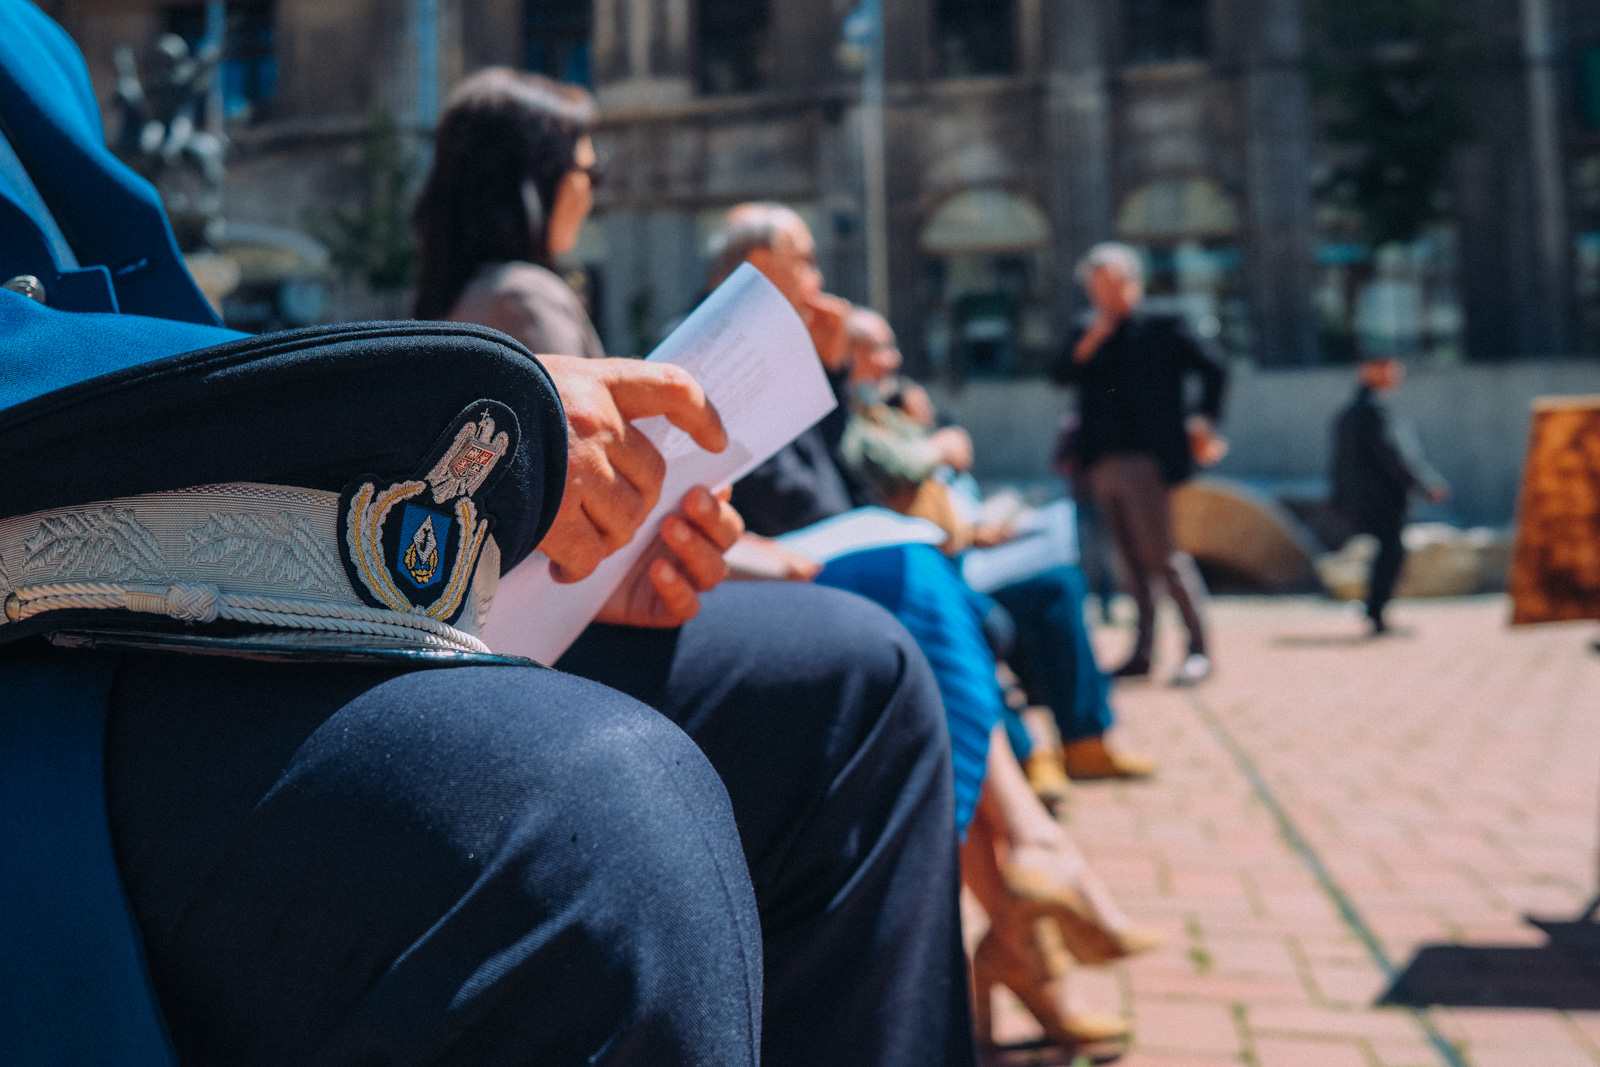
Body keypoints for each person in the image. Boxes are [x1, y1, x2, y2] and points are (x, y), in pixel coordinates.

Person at [0, 27, 973, 1067]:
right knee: (595, 820)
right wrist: (489, 445)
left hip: (224, 592)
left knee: (846, 686)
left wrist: (549, 559)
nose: (595, 184)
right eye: (585, 167)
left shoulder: (35, 43)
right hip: (50, 690)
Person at [710, 204, 1161, 1058]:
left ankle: (1020, 922)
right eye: (801, 262)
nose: (816, 280)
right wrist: (829, 376)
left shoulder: (798, 364)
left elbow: (838, 480)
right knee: (922, 592)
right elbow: (782, 494)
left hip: (836, 558)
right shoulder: (720, 360)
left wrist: (833, 377)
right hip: (783, 570)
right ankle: (1027, 904)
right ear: (756, 269)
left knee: (958, 592)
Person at [841, 306, 1155, 783]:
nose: (892, 359)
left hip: (960, 552)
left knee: (1059, 583)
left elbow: (937, 481)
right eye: (877, 348)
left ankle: (1085, 739)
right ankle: (1028, 756)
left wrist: (978, 526)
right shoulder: (848, 417)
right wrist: (938, 445)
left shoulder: (888, 410)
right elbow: (899, 470)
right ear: (847, 356)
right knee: (970, 617)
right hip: (926, 570)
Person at [1050, 242, 1228, 687]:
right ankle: (1143, 652)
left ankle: (1198, 650)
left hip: (1146, 461)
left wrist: (1203, 421)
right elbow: (1057, 374)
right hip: (1100, 462)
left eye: (1110, 285)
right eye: (1095, 288)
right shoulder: (1087, 330)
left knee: (1162, 556)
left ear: (1133, 283)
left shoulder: (1164, 325)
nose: (1102, 296)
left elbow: (1216, 368)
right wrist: (1090, 340)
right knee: (1129, 563)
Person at [1330, 355, 1449, 635]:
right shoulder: (1370, 411)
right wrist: (1425, 483)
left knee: (1387, 553)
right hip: (1380, 498)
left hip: (1366, 497)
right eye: (1389, 368)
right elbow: (1393, 455)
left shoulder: (1357, 409)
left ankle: (1375, 612)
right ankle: (1376, 614)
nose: (1397, 373)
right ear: (1369, 370)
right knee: (1390, 553)